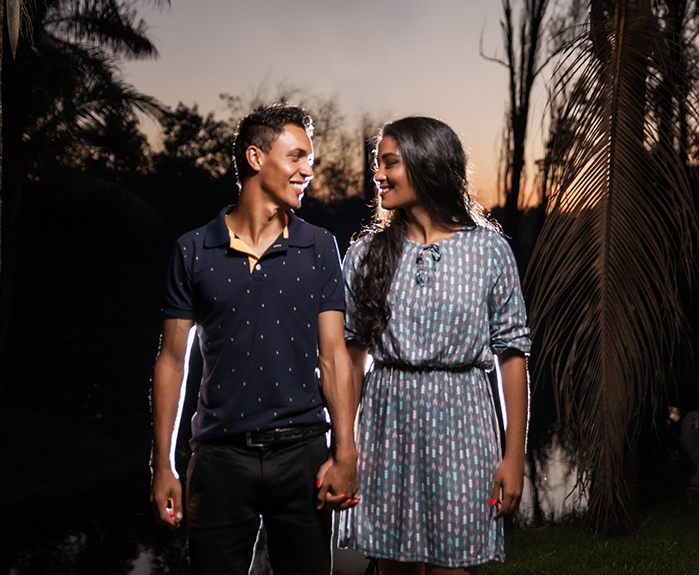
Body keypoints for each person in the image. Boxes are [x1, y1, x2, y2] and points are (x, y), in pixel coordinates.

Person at [150, 103, 359, 575]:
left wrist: (345, 450)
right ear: (255, 157)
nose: (308, 170)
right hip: (218, 459)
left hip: (304, 455)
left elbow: (333, 356)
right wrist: (163, 465)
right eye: (297, 156)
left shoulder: (320, 246)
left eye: (311, 160)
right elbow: (171, 361)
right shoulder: (192, 249)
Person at [342, 117, 530, 574]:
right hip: (388, 427)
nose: (378, 174)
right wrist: (343, 445)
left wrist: (515, 456)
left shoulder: (489, 251)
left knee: (455, 567)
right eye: (377, 163)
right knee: (395, 567)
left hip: (464, 425)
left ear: (427, 165)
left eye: (390, 163)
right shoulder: (366, 253)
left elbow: (512, 355)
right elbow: (351, 356)